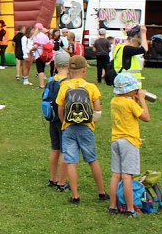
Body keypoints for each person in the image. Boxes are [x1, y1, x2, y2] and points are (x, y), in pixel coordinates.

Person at [55, 55, 109, 204]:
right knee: (92, 160)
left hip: (69, 129)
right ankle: (101, 192)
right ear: (84, 70)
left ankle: (75, 196)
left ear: (69, 71)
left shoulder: (64, 87)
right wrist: (91, 121)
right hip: (86, 128)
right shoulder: (91, 87)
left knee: (71, 162)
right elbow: (98, 110)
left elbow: (60, 109)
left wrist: (64, 122)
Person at [107, 72, 150, 217]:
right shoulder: (130, 103)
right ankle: (130, 208)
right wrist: (142, 100)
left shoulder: (114, 101)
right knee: (127, 176)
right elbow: (146, 117)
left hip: (116, 140)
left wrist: (135, 99)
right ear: (130, 90)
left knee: (116, 175)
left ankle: (112, 206)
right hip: (129, 141)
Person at [46, 52, 70, 192]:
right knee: (64, 151)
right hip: (63, 119)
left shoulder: (51, 80)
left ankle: (53, 178)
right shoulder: (67, 83)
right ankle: (62, 182)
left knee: (55, 149)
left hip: (51, 118)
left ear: (56, 65)